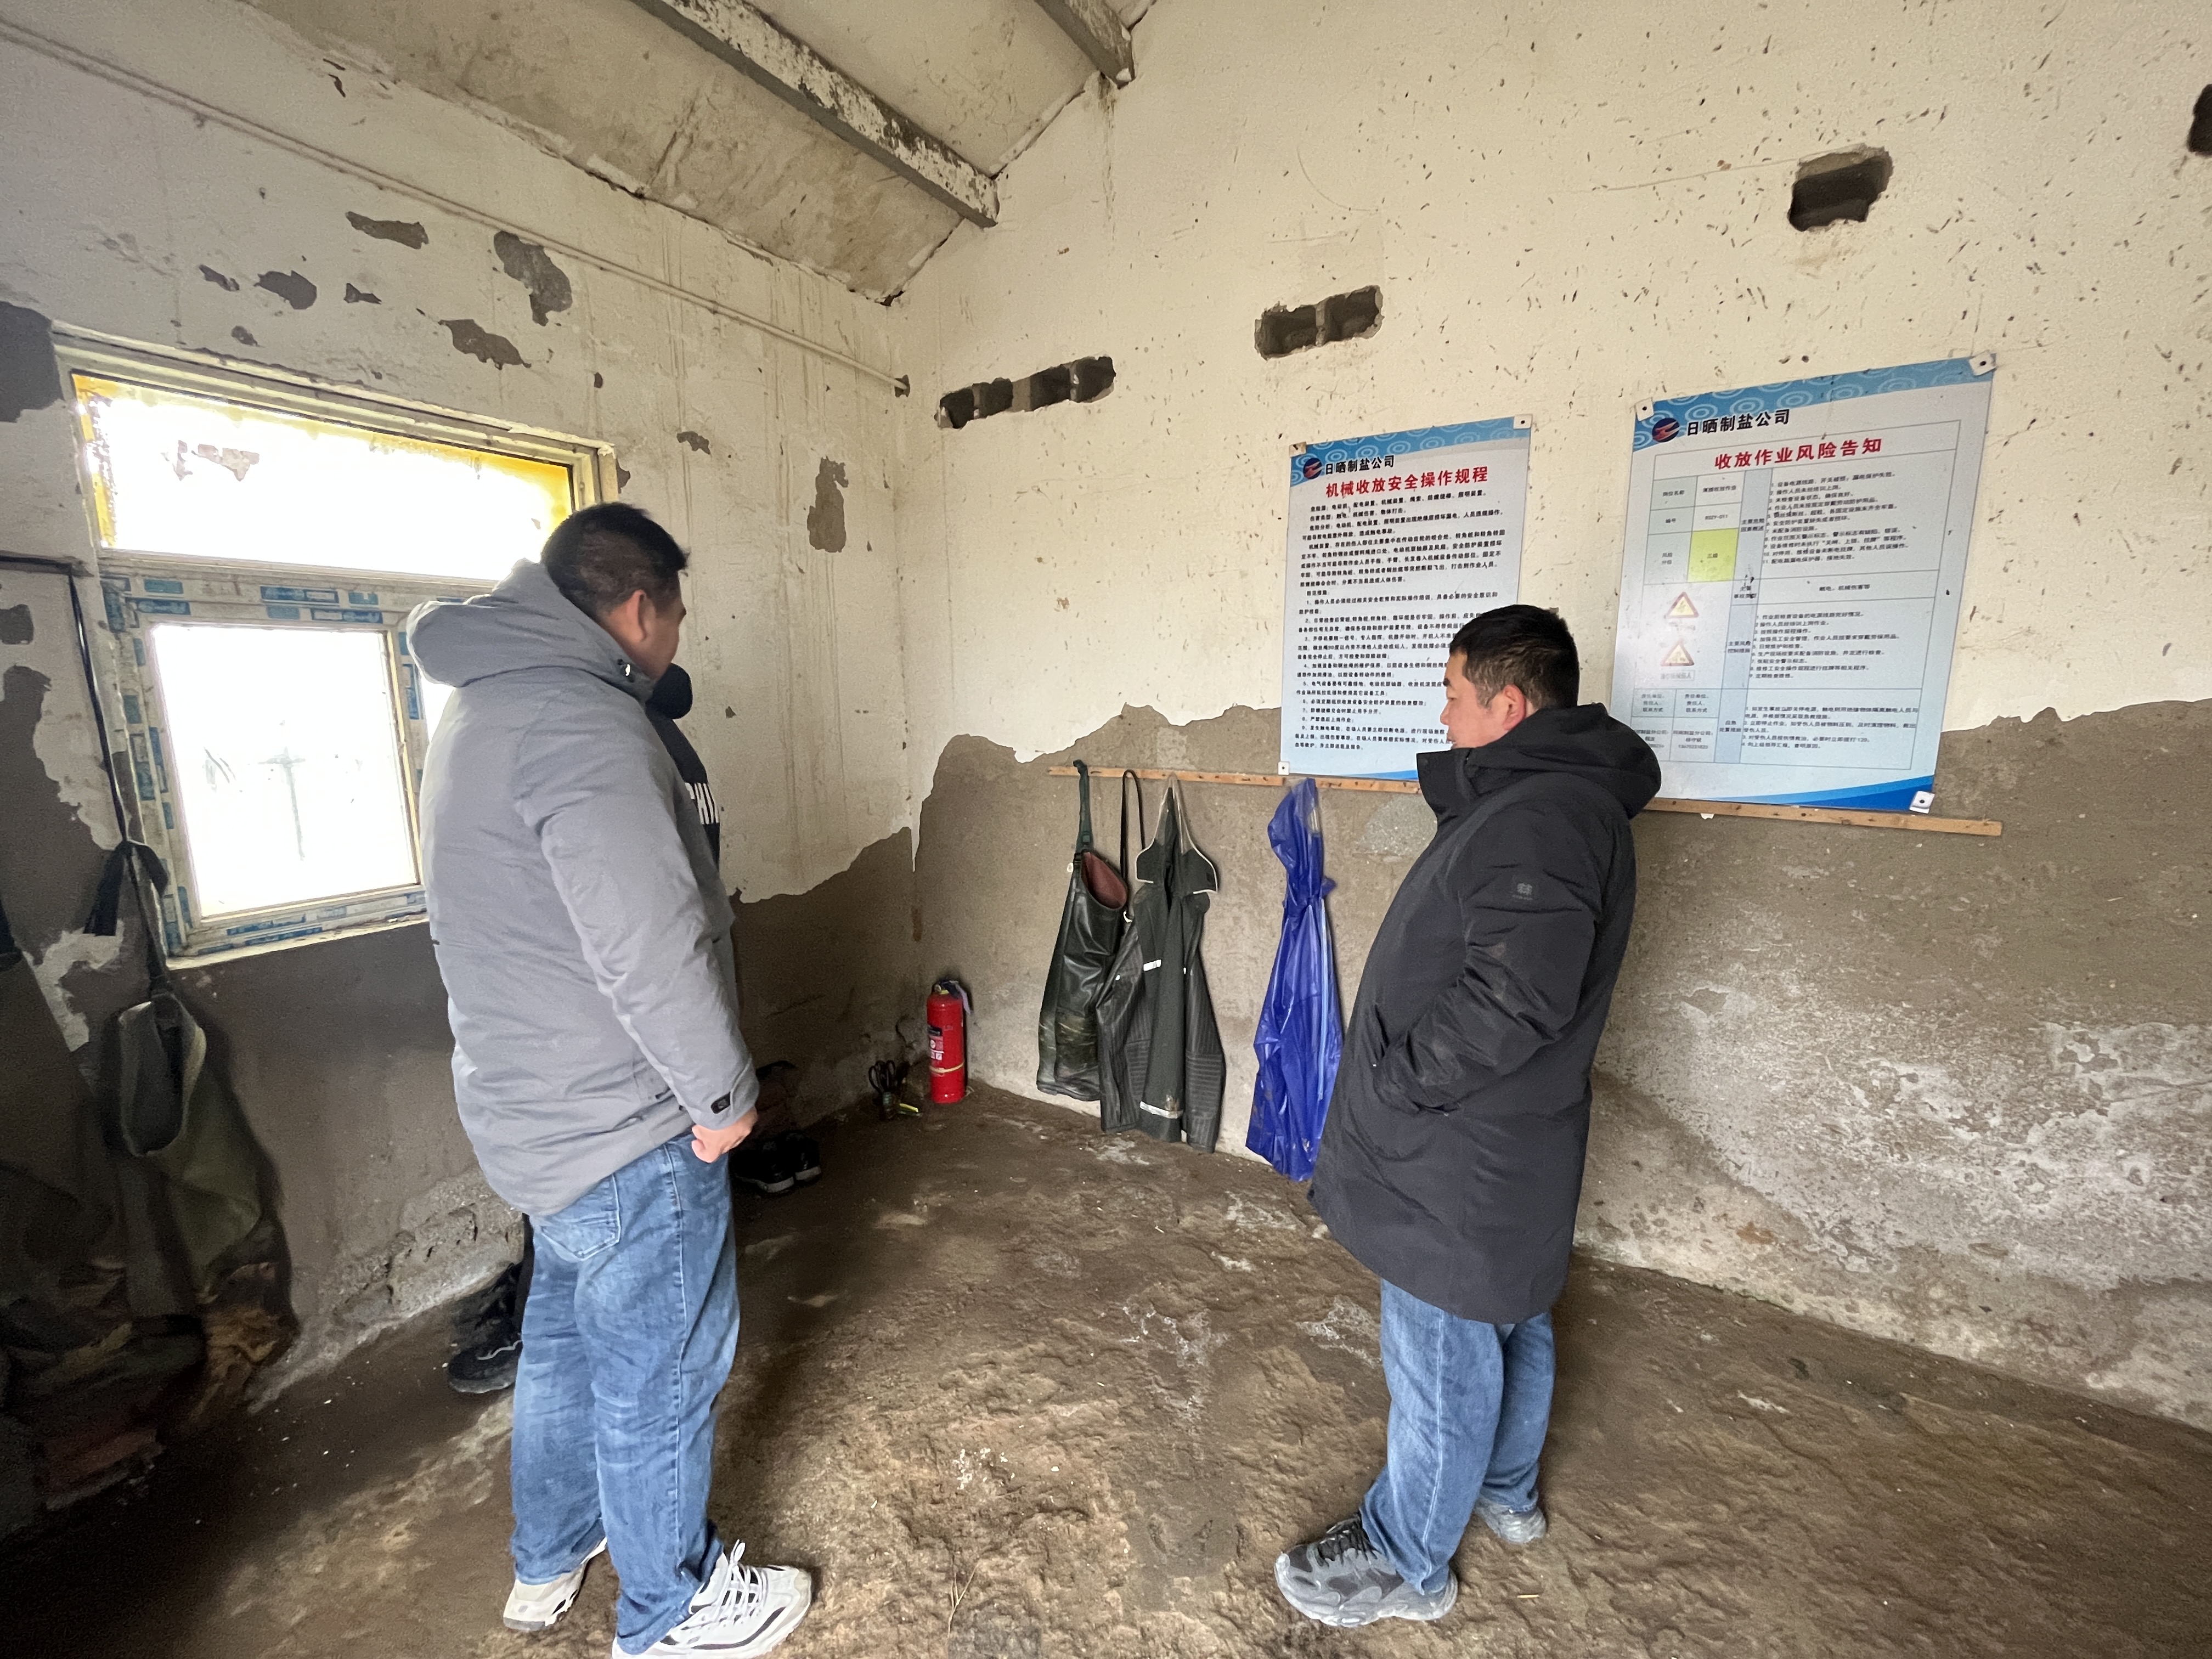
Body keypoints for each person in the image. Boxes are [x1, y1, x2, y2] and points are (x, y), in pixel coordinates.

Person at [411, 503, 812, 1658]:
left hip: (533, 1113)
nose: (675, 640)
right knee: (660, 1372)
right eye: (676, 618)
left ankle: (549, 1557)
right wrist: (724, 1100)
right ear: (641, 609)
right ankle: (670, 1609)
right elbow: (651, 944)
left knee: (566, 1343)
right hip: (628, 1122)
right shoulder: (585, 726)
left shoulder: (483, 705)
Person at [1274, 604, 1660, 1629]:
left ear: (1509, 704)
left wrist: (1401, 1081)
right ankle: (1505, 1491)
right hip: (1504, 1137)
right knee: (1510, 1311)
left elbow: (1514, 996)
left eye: (1453, 695)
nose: (1443, 716)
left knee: (1442, 1345)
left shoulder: (1541, 817)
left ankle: (1409, 1559)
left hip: (1459, 1145)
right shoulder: (1555, 802)